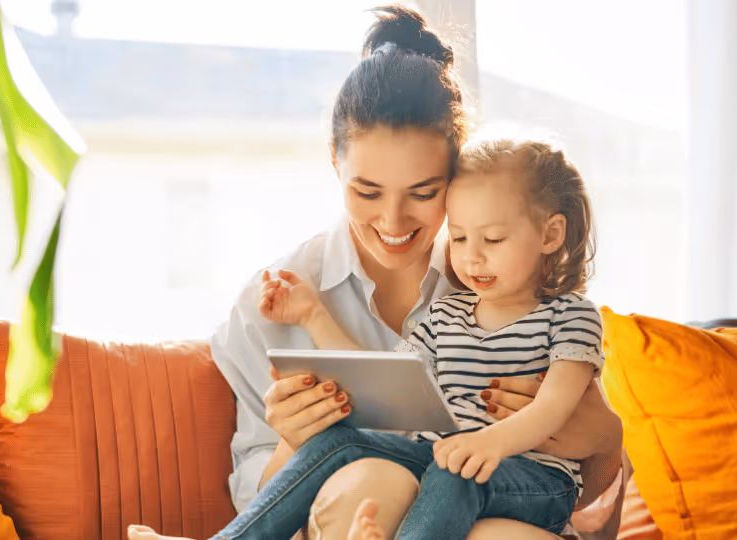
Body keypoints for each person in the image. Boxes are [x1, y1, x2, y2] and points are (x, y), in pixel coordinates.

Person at [129, 6, 625, 540]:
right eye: (367, 192)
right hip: (382, 495)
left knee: (461, 492)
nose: (393, 222)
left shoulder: (505, 282)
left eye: (424, 193)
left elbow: (591, 490)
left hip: (504, 500)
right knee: (371, 475)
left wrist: (603, 438)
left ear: (458, 175)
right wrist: (296, 436)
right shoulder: (275, 300)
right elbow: (375, 392)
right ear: (335, 164)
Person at [227, 137, 602, 539]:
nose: (472, 256)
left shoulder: (572, 315)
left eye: (492, 239)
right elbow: (384, 380)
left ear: (550, 234)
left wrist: (488, 444)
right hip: (447, 462)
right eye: (458, 238)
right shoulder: (445, 315)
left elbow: (553, 408)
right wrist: (313, 316)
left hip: (537, 482)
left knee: (455, 470)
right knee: (339, 442)